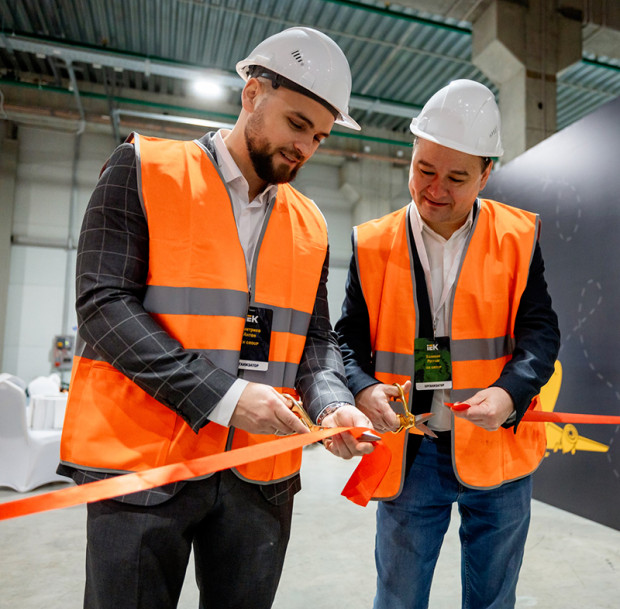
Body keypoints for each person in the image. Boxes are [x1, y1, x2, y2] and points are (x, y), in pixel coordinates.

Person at [58, 26, 375, 609]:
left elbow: (314, 338)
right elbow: (103, 304)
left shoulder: (310, 223)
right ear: (252, 93)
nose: (305, 148)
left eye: (319, 136)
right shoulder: (144, 168)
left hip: (260, 472)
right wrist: (226, 398)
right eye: (297, 124)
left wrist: (332, 403)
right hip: (145, 463)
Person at [336, 79, 561, 609]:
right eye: (424, 170)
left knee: (493, 599)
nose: (435, 189)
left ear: (486, 173)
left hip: (496, 449)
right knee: (398, 597)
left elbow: (540, 332)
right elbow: (346, 339)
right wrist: (362, 388)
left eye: (456, 177)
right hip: (411, 452)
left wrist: (509, 393)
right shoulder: (372, 243)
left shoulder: (517, 237)